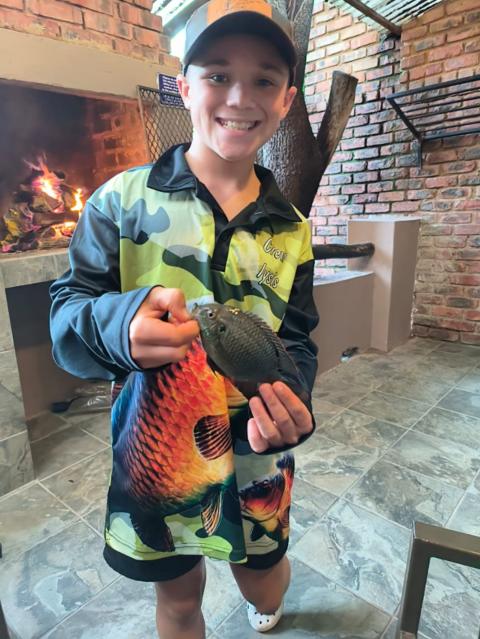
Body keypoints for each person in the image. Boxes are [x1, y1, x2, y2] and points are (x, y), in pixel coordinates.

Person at [50, 0, 319, 637]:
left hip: (255, 452)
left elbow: (297, 339)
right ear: (184, 87)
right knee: (176, 599)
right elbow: (67, 317)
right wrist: (119, 326)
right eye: (218, 75)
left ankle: (266, 598)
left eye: (264, 80)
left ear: (286, 100)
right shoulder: (119, 201)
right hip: (158, 450)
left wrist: (295, 401)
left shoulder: (293, 230)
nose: (240, 97)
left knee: (264, 577)